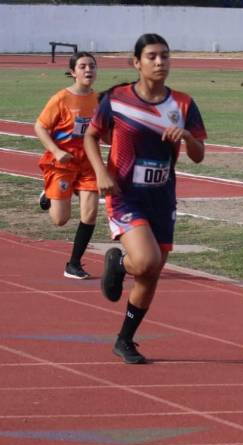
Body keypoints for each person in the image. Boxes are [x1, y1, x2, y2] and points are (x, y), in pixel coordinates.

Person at [84, 33, 207, 364]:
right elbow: (91, 136)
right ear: (136, 62)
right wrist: (101, 173)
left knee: (151, 272)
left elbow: (198, 155)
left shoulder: (182, 104)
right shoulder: (118, 100)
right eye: (152, 56)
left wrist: (185, 136)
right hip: (125, 195)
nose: (159, 62)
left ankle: (125, 339)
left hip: (162, 199)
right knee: (148, 261)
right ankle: (121, 262)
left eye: (165, 56)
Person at [34, 51, 100, 279]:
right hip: (63, 163)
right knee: (60, 220)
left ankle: (74, 264)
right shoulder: (61, 99)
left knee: (90, 213)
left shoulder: (99, 100)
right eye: (82, 66)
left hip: (89, 163)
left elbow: (105, 132)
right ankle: (48, 195)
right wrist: (56, 151)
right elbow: (40, 127)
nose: (88, 70)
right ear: (73, 72)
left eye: (91, 66)